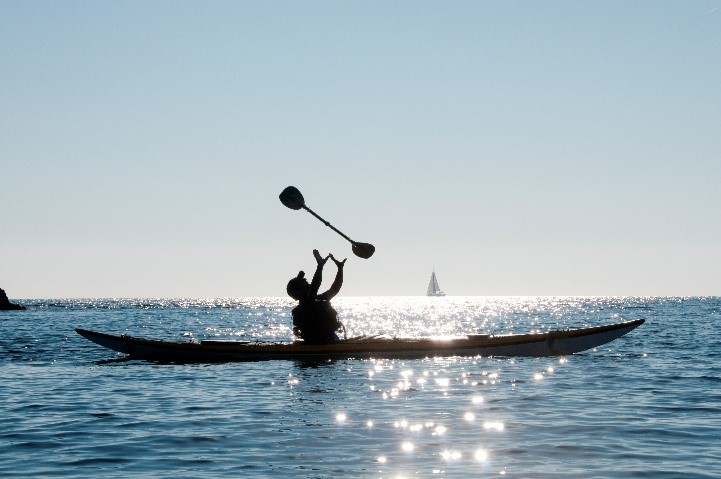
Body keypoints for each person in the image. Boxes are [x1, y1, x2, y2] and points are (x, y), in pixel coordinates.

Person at [286, 249, 346, 344]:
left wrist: (340, 269)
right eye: (303, 282)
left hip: (331, 340)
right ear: (298, 292)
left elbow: (335, 289)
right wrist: (320, 266)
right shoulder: (305, 305)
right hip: (316, 342)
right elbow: (315, 286)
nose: (307, 282)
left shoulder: (319, 299)